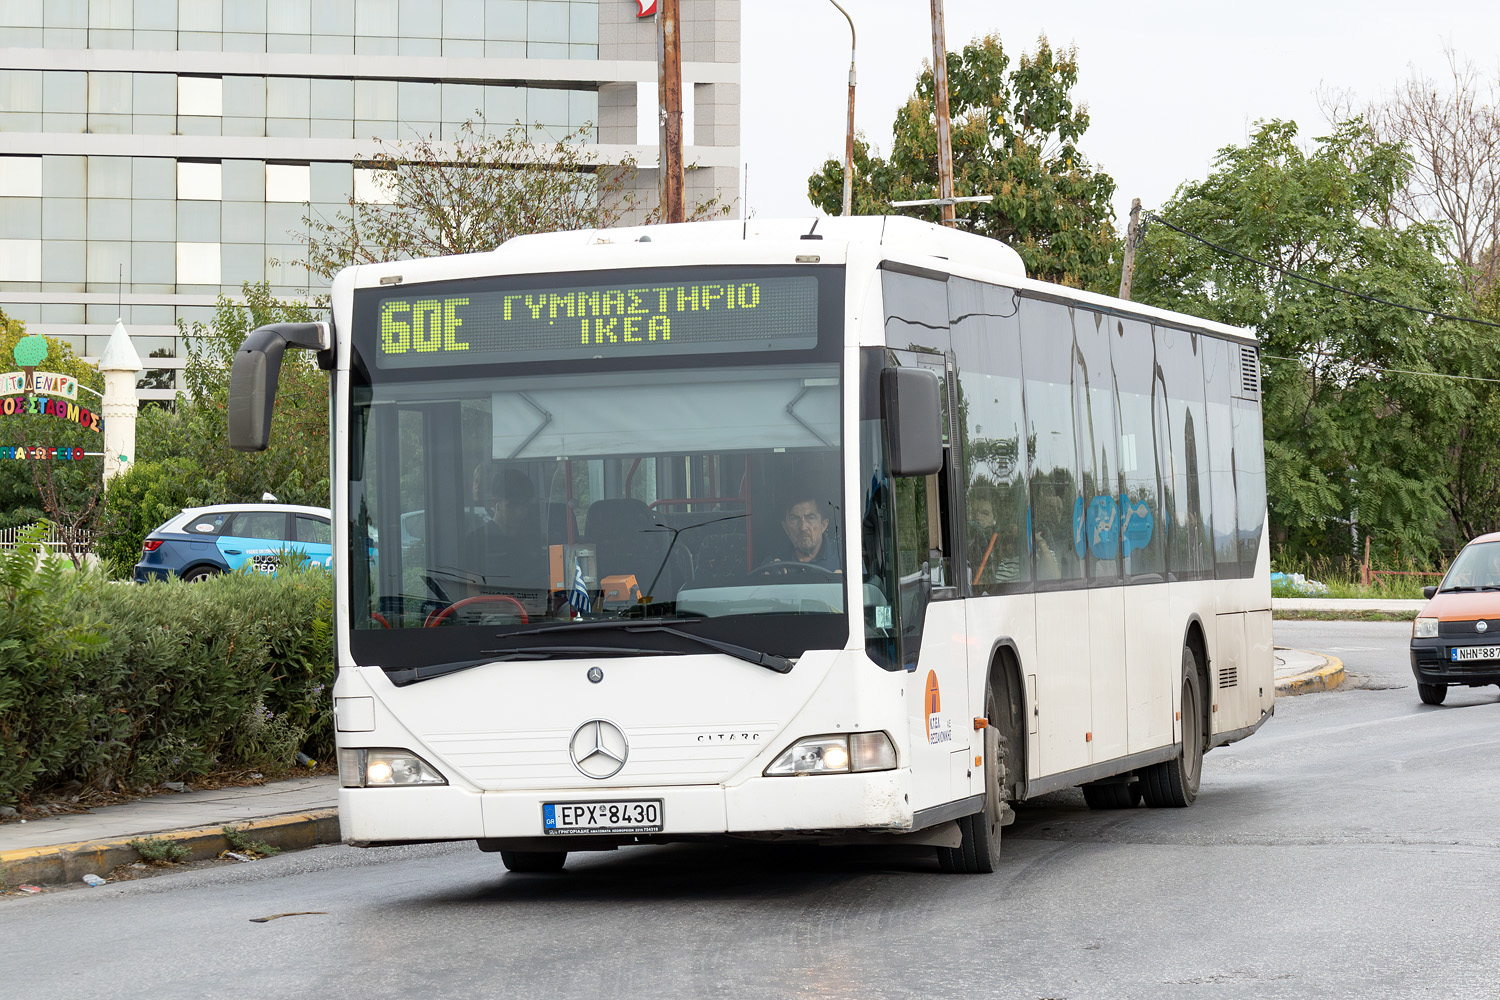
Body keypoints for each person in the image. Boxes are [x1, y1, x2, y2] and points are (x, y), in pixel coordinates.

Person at [468, 467, 548, 590]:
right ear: (494, 504)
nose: (521, 512)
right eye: (513, 505)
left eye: (525, 505)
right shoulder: (476, 542)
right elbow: (471, 593)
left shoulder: (536, 539)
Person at [771, 495, 842, 572]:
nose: (803, 527)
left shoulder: (845, 558)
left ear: (823, 525)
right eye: (794, 519)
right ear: (785, 527)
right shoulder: (773, 564)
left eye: (810, 518)